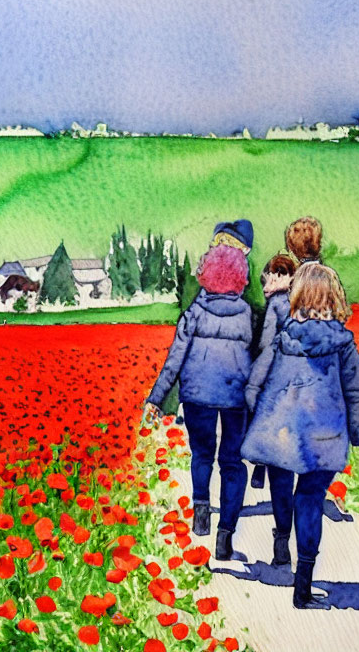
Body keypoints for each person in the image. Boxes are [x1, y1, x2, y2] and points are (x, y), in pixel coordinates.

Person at [241, 262, 359, 609]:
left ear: (297, 295)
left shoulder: (282, 338)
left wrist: (262, 413)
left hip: (282, 431)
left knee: (282, 487)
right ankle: (303, 584)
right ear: (334, 298)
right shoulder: (343, 344)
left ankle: (280, 542)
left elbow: (255, 381)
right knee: (311, 500)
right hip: (324, 437)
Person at [145, 238, 253, 561]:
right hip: (236, 397)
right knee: (233, 463)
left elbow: (174, 360)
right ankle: (225, 534)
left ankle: (202, 508)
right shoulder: (248, 314)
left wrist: (155, 399)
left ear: (206, 273)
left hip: (197, 397)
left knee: (202, 454)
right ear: (240, 276)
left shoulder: (192, 313)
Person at [249, 252, 297, 489]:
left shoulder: (276, 304)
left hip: (274, 368)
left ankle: (261, 465)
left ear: (283, 276)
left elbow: (266, 340)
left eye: (272, 279)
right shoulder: (301, 300)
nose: (268, 285)